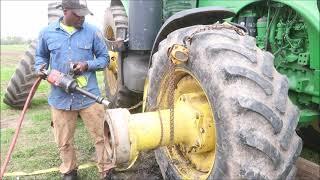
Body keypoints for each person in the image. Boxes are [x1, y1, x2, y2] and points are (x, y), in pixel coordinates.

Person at [35, 0, 114, 179]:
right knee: (63, 140)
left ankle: (106, 169)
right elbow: (40, 57)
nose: (82, 18)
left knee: (102, 136)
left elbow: (104, 59)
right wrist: (41, 69)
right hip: (60, 98)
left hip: (89, 97)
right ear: (65, 11)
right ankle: (69, 171)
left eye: (84, 14)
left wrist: (87, 65)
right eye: (78, 14)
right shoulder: (46, 33)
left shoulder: (92, 31)